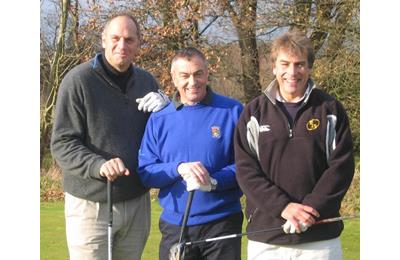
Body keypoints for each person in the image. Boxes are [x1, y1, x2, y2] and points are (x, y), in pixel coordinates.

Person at [51, 13, 169, 260]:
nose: (122, 45)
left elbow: (165, 137)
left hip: (137, 202)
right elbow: (62, 143)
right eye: (115, 38)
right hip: (90, 204)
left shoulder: (147, 82)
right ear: (103, 40)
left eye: (129, 39)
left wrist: (168, 107)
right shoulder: (78, 81)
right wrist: (98, 164)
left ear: (138, 43)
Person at [234, 31, 355, 260]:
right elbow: (246, 170)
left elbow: (341, 167)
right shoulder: (254, 112)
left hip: (320, 239)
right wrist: (284, 207)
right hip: (267, 240)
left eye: (299, 64)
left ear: (309, 68)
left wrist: (310, 209)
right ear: (274, 68)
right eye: (285, 64)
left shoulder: (330, 109)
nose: (292, 72)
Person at [137, 47, 244, 260]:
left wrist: (213, 181)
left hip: (222, 223)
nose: (192, 82)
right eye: (184, 76)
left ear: (207, 73)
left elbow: (246, 166)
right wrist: (177, 169)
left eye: (198, 74)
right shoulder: (160, 118)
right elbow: (146, 171)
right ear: (174, 78)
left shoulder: (232, 111)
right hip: (177, 226)